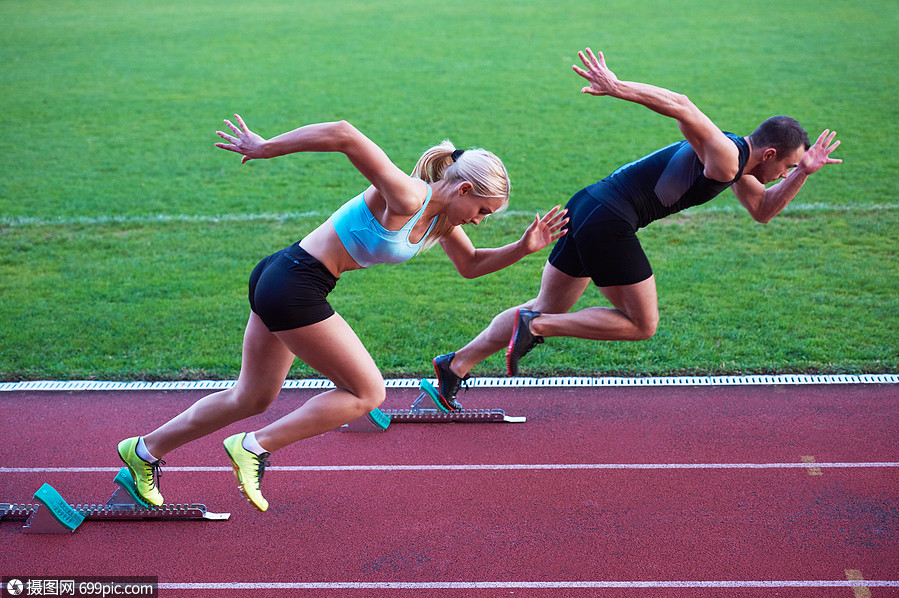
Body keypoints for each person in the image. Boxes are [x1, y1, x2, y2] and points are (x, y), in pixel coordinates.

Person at [117, 115, 569, 511]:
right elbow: (343, 134)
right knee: (367, 392)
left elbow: (470, 267)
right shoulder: (409, 197)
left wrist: (524, 248)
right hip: (295, 284)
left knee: (251, 397)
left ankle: (144, 450)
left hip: (283, 275)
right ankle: (254, 447)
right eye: (482, 210)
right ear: (464, 188)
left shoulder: (440, 219)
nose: (479, 220)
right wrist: (265, 147)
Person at [431, 47, 842, 407]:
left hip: (589, 204)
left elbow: (764, 211)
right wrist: (616, 86)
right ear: (769, 153)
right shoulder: (726, 156)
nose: (781, 174)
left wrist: (802, 173)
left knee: (547, 302)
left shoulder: (736, 165)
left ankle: (456, 365)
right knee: (641, 324)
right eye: (786, 166)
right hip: (611, 219)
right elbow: (682, 104)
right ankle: (537, 328)